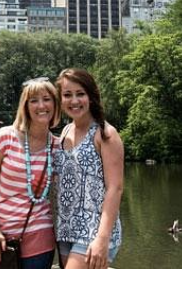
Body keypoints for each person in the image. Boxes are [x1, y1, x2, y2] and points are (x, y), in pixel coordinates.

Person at [0, 78, 61, 269]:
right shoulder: (5, 137)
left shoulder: (58, 147)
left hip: (40, 234)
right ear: (25, 106)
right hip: (1, 237)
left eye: (46, 99)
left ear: (55, 105)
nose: (41, 105)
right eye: (34, 100)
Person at [54, 68, 125, 268]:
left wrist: (102, 238)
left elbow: (115, 188)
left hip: (93, 231)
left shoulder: (105, 133)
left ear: (91, 96)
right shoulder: (65, 131)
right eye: (67, 95)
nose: (74, 100)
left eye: (80, 94)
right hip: (66, 228)